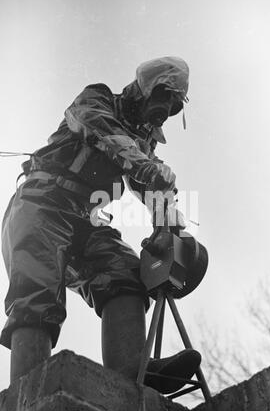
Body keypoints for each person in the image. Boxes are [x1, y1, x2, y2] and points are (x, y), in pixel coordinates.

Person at [0, 56, 201, 393]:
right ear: (145, 87)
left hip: (87, 218)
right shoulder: (97, 100)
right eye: (164, 96)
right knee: (38, 289)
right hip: (42, 203)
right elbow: (101, 130)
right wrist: (145, 165)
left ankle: (130, 376)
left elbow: (153, 189)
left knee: (123, 271)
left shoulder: (143, 145)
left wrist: (172, 229)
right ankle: (28, 392)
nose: (166, 108)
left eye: (175, 106)